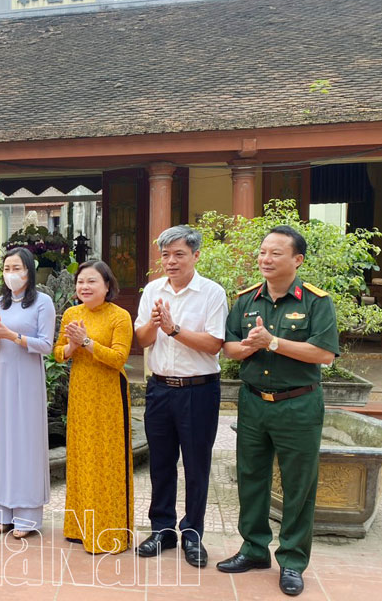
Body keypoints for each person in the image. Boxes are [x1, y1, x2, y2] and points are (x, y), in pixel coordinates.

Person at [217, 226, 338, 597]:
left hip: (299, 404)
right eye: (262, 252)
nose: (265, 259)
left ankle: (292, 561)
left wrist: (274, 342)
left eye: (275, 253)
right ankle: (254, 549)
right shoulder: (246, 300)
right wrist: (251, 347)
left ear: (297, 260)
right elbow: (229, 349)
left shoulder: (316, 302)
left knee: (298, 485)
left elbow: (324, 354)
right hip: (254, 402)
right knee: (251, 477)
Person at [133, 226, 228, 568]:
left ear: (196, 255)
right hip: (159, 388)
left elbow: (215, 343)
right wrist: (157, 325)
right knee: (160, 463)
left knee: (196, 464)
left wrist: (174, 329)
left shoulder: (212, 293)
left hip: (198, 390)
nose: (170, 262)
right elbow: (142, 339)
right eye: (165, 255)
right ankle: (162, 529)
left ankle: (193, 533)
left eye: (178, 254)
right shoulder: (153, 291)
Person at [54, 260, 133, 554]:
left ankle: (111, 532)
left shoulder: (119, 316)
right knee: (81, 456)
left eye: (91, 282)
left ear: (108, 286)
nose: (84, 287)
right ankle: (79, 527)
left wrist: (86, 342)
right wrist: (72, 346)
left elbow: (119, 359)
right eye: (80, 282)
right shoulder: (73, 314)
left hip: (110, 395)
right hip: (81, 393)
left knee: (107, 460)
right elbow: (59, 353)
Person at [0, 248, 56, 539]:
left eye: (17, 267)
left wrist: (11, 336)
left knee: (26, 441)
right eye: (7, 267)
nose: (11, 273)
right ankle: (4, 512)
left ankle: (27, 516)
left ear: (29, 271)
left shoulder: (42, 303)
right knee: (5, 440)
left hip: (28, 376)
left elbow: (46, 345)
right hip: (4, 374)